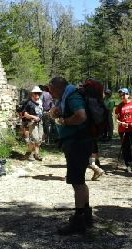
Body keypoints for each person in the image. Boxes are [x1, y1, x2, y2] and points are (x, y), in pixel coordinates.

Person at [48, 76, 93, 235]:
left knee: (77, 182)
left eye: (51, 90)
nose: (50, 93)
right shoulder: (66, 96)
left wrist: (63, 121)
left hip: (77, 143)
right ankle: (86, 215)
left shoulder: (72, 96)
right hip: (77, 143)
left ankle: (79, 220)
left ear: (58, 87)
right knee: (79, 181)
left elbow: (81, 116)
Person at [115, 87, 132, 174]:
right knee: (125, 147)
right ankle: (128, 165)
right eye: (121, 95)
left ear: (128, 94)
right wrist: (121, 123)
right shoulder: (119, 106)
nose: (122, 96)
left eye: (124, 94)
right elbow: (116, 119)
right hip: (123, 129)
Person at [22, 86, 44, 161]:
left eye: (39, 93)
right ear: (32, 94)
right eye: (36, 93)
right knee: (35, 139)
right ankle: (29, 153)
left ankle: (36, 154)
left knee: (40, 139)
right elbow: (25, 114)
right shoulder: (29, 103)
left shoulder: (40, 102)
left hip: (40, 122)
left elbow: (40, 112)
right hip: (32, 123)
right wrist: (34, 117)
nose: (37, 94)